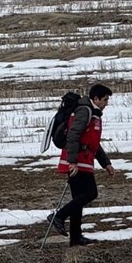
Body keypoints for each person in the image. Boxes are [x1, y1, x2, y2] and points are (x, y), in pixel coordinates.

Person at [49, 83, 117, 246]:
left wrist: (105, 163)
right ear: (96, 99)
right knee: (90, 193)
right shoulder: (84, 111)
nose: (107, 103)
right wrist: (72, 162)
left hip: (84, 160)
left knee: (78, 199)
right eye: (105, 100)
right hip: (76, 161)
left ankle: (75, 238)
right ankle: (58, 216)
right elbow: (73, 135)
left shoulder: (94, 114)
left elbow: (93, 142)